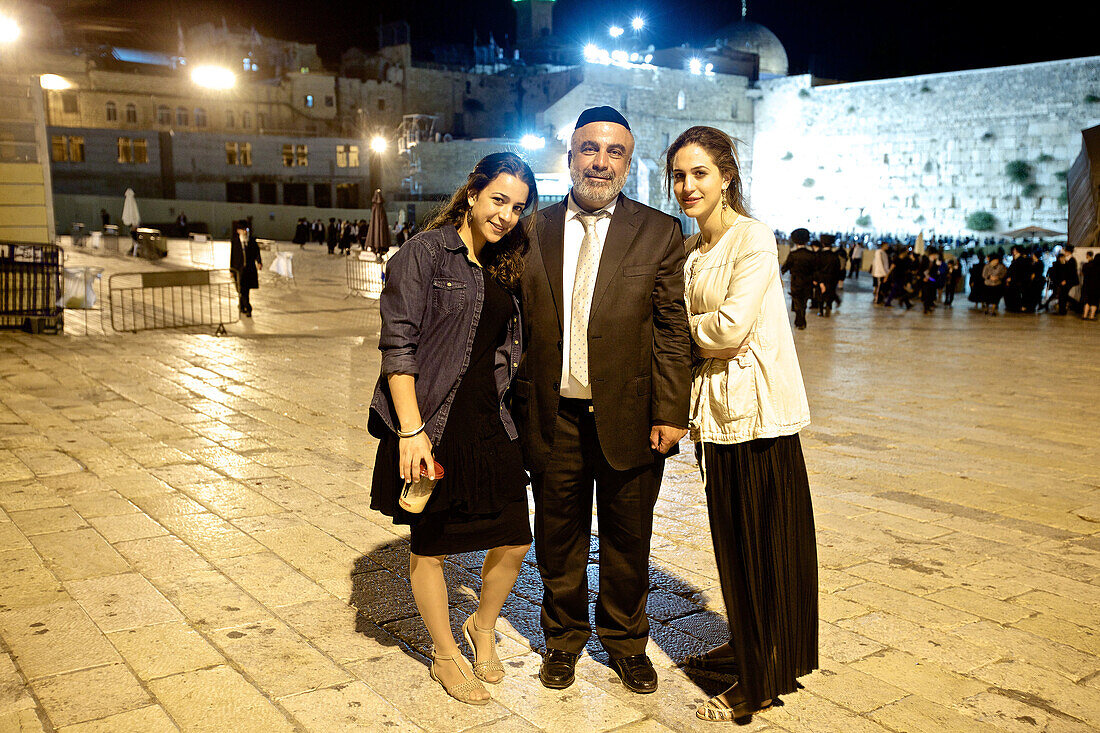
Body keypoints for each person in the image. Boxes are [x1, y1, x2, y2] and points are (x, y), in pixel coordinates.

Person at [513, 106, 691, 695]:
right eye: (590, 148)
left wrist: (671, 411)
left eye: (615, 152)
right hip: (552, 415)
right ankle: (563, 640)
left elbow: (670, 328)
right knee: (557, 536)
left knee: (626, 538)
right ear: (569, 156)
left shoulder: (659, 232)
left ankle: (626, 643)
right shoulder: (531, 229)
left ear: (628, 163)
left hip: (632, 418)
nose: (601, 161)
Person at [368, 152, 538, 706]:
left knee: (514, 538)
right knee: (432, 545)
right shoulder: (423, 252)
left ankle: (481, 626)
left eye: (517, 207)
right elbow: (398, 346)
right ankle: (445, 655)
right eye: (498, 200)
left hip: (492, 422)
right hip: (432, 423)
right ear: (471, 193)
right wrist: (411, 432)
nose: (506, 215)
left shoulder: (502, 264)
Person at [667, 125, 817, 723]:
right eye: (679, 174)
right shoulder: (691, 250)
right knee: (733, 544)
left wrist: (673, 336)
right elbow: (712, 331)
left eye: (700, 173)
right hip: (718, 415)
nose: (687, 186)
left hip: (759, 416)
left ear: (726, 175)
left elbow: (730, 328)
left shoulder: (753, 237)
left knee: (763, 549)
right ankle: (748, 646)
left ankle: (761, 677)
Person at [780, 227, 815, 330]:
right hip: (808, 282)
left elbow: (785, 267)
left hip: (796, 282)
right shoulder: (812, 255)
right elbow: (815, 268)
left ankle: (800, 320)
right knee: (803, 302)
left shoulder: (793, 255)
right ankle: (800, 320)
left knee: (797, 301)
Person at [229, 220, 261, 317]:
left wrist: (259, 262)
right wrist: (231, 269)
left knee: (245, 290)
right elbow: (232, 256)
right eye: (243, 230)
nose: (245, 232)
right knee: (240, 290)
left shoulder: (251, 240)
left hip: (249, 270)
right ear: (238, 231)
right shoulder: (235, 241)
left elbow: (257, 252)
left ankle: (248, 308)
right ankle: (243, 306)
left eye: (246, 229)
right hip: (238, 269)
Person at [814, 234, 842, 317]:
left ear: (822, 244)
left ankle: (821, 310)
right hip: (832, 279)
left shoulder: (819, 255)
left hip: (821, 278)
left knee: (821, 295)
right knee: (830, 293)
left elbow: (816, 268)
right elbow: (838, 268)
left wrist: (817, 279)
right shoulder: (835, 256)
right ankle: (828, 307)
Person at [1081, 252, 1098, 321]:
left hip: (1087, 286)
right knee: (1094, 302)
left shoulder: (1086, 265)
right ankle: (1091, 316)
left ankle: (1084, 315)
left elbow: (1082, 274)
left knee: (1087, 301)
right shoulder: (1098, 267)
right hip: (1096, 287)